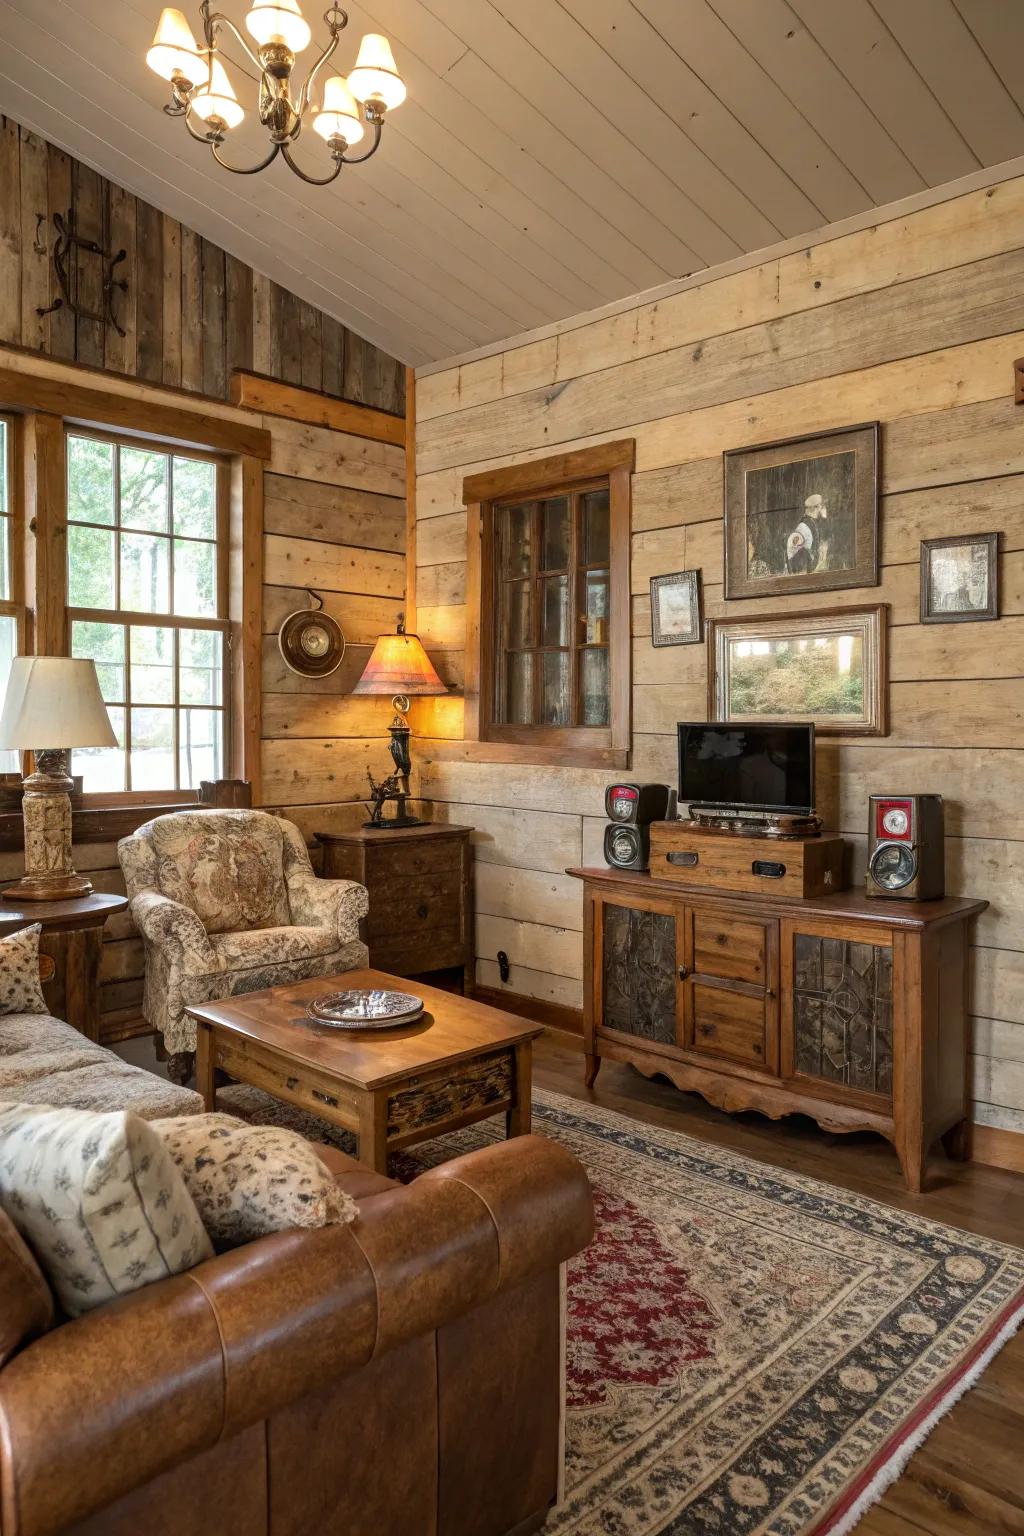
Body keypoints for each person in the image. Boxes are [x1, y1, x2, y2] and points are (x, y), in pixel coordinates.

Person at [785, 492, 830, 574]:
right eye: (823, 506)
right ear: (816, 508)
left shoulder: (813, 524)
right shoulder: (804, 527)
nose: (825, 509)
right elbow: (792, 557)